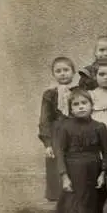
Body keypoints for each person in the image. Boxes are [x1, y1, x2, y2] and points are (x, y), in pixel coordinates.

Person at [53, 89, 107, 213]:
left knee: (94, 212)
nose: (80, 107)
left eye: (84, 103)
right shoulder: (65, 127)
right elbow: (60, 153)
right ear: (70, 109)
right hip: (73, 172)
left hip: (93, 172)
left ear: (92, 106)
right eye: (76, 105)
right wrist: (64, 176)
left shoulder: (99, 127)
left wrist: (103, 173)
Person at [38, 57, 77, 201]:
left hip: (75, 131)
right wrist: (47, 143)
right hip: (56, 132)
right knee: (56, 159)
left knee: (73, 159)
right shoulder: (49, 94)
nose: (63, 74)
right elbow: (45, 119)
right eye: (58, 71)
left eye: (66, 70)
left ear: (73, 72)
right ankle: (56, 195)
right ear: (53, 74)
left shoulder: (79, 91)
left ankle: (73, 191)